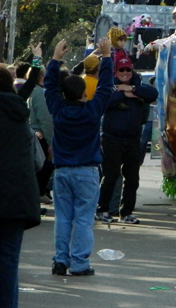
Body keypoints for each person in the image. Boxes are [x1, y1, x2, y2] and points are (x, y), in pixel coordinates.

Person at [45, 38, 114, 277]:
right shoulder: (92, 111)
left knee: (63, 218)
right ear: (85, 93)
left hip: (62, 171)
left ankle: (60, 260)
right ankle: (80, 263)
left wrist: (55, 59)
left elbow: (50, 86)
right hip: (87, 170)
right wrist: (106, 57)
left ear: (64, 94)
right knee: (83, 220)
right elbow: (106, 87)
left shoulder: (57, 108)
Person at [0, 48, 42, 308]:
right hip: (18, 200)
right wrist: (38, 58)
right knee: (8, 263)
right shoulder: (18, 109)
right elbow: (29, 84)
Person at [96, 58, 158, 225]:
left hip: (132, 139)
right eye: (121, 70)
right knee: (110, 176)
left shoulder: (138, 86)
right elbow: (104, 102)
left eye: (127, 70)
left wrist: (132, 89)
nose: (124, 73)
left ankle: (127, 212)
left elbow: (153, 94)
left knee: (132, 178)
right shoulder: (108, 85)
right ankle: (103, 209)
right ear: (115, 72)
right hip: (111, 138)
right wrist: (124, 94)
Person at [27, 67, 55, 203]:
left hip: (30, 133)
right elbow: (45, 120)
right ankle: (39, 193)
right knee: (45, 165)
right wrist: (51, 142)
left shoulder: (29, 92)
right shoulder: (41, 94)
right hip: (40, 136)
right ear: (42, 77)